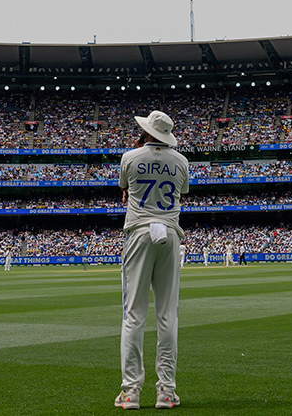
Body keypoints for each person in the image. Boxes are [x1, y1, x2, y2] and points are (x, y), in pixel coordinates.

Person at [115, 110, 189, 411]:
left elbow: (125, 189)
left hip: (139, 232)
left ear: (146, 132)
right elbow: (181, 193)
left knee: (134, 315)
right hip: (170, 233)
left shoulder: (129, 157)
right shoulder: (182, 161)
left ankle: (131, 392)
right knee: (167, 315)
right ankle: (166, 392)